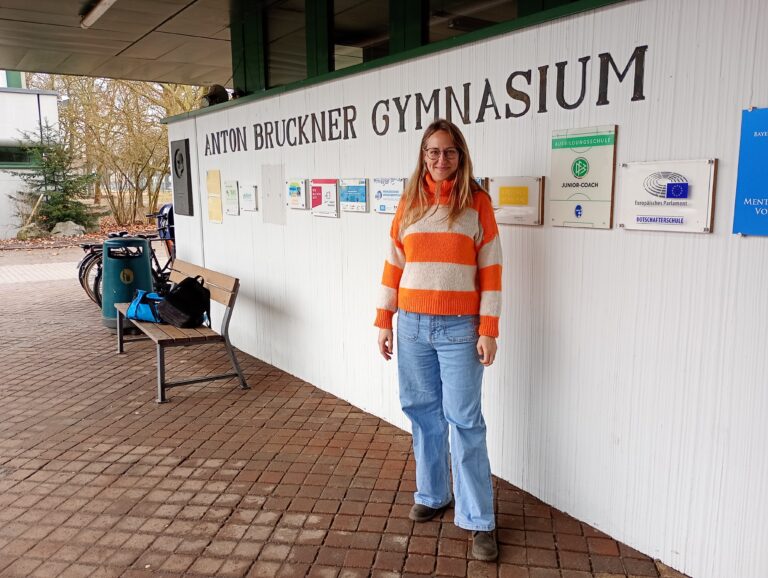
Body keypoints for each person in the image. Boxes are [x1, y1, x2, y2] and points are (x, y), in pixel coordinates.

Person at [375, 119, 502, 561]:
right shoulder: (408, 202)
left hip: (459, 330)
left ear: (460, 155)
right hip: (410, 326)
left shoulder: (478, 203)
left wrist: (489, 329)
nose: (440, 159)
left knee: (465, 421)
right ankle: (432, 494)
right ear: (423, 155)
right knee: (423, 415)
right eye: (432, 151)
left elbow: (491, 270)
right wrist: (383, 319)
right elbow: (393, 264)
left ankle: (478, 520)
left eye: (448, 151)